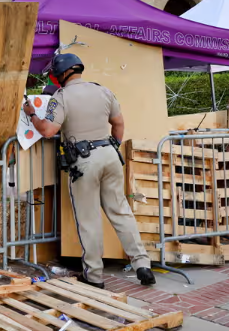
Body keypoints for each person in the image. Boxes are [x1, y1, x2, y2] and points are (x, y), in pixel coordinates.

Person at [23, 53, 155, 288]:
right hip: (110, 155)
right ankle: (142, 264)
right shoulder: (103, 91)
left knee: (89, 220)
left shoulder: (61, 97)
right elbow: (118, 124)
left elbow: (48, 130)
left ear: (62, 74)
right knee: (121, 212)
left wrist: (32, 114)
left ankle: (93, 275)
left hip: (84, 161)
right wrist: (112, 146)